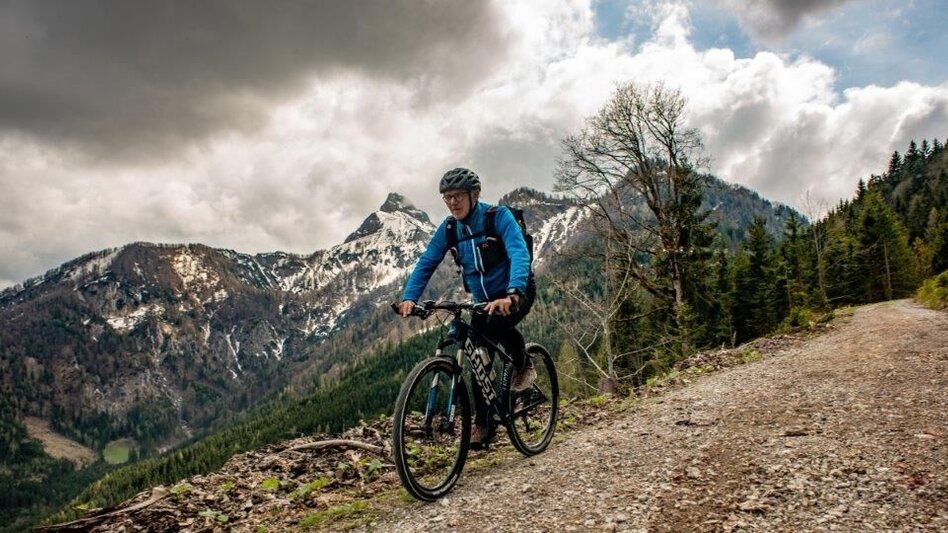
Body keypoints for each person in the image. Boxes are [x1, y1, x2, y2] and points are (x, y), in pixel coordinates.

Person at [397, 167, 537, 446]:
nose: (452, 203)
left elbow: (519, 252)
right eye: (447, 197)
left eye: (458, 196)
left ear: (475, 194)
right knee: (477, 359)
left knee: (497, 327)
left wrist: (513, 292)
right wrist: (410, 297)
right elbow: (427, 262)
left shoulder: (498, 218)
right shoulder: (450, 229)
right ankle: (485, 423)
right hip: (482, 302)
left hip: (516, 291)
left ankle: (523, 364)